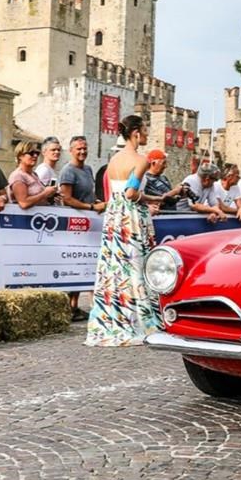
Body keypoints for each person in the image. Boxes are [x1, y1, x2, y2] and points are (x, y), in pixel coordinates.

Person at [85, 115, 163, 346]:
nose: (147, 135)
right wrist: (151, 198)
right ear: (136, 133)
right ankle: (140, 319)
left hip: (114, 215)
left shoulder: (113, 160)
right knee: (135, 263)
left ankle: (114, 316)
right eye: (145, 131)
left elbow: (113, 192)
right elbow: (131, 192)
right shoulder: (141, 160)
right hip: (131, 216)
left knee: (114, 267)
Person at [59, 135, 106, 321]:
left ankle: (75, 306)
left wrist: (97, 203)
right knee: (73, 265)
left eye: (85, 148)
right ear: (71, 151)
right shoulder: (67, 171)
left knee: (84, 265)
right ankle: (68, 306)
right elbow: (67, 198)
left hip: (88, 222)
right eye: (78, 148)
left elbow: (89, 194)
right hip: (73, 223)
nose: (82, 152)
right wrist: (92, 207)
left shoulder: (87, 169)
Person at [7, 141, 59, 209]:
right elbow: (24, 203)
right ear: (20, 156)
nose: (35, 156)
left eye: (37, 153)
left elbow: (38, 197)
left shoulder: (34, 174)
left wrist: (51, 196)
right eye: (31, 153)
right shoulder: (18, 176)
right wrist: (45, 193)